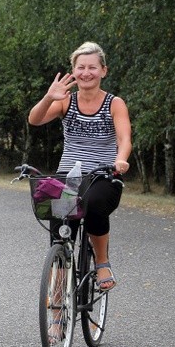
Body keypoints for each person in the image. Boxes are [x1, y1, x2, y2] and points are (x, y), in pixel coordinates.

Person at [28, 41, 132, 296]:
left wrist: (121, 160)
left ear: (103, 71)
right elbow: (35, 119)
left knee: (95, 205)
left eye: (92, 67)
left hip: (105, 174)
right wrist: (48, 97)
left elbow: (124, 139)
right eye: (81, 67)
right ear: (73, 71)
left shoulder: (114, 103)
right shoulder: (65, 101)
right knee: (60, 236)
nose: (86, 73)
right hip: (70, 177)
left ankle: (102, 262)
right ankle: (56, 314)